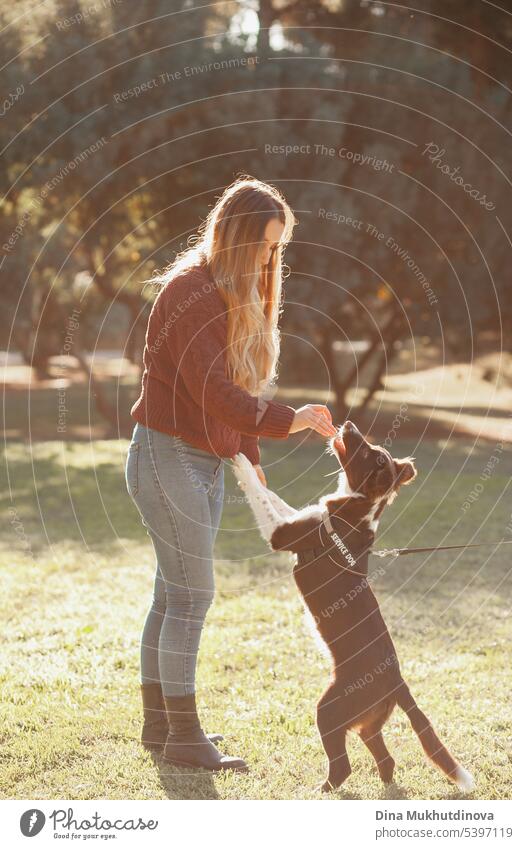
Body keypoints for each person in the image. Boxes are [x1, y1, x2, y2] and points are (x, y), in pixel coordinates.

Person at [125, 175, 337, 772]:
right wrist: (286, 421)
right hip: (167, 457)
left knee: (172, 595)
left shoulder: (229, 293)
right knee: (191, 596)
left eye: (279, 247)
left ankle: (161, 727)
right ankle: (185, 739)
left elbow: (235, 388)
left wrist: (252, 463)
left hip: (201, 461)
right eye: (266, 246)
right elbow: (215, 393)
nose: (273, 259)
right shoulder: (191, 293)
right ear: (237, 238)